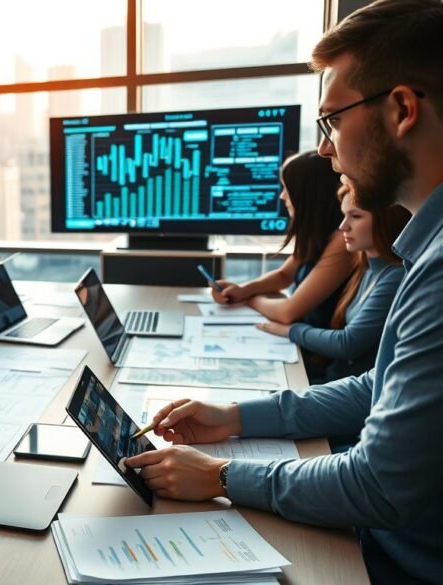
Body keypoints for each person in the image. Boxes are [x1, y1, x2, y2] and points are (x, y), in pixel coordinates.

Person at [125, 1, 443, 583]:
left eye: (332, 120)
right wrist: (235, 416)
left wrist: (220, 475)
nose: (325, 148)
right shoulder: (425, 251)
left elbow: (377, 485)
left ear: (401, 109)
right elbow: (379, 386)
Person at [257, 182, 410, 383]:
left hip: (349, 388)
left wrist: (290, 331)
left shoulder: (394, 277)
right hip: (338, 380)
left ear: (386, 220)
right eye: (344, 215)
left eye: (356, 216)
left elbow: (347, 344)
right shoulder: (366, 268)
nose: (343, 226)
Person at [212, 151, 354, 328]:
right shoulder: (316, 234)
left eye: (288, 189)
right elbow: (284, 275)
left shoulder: (343, 240)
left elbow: (287, 312)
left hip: (314, 342)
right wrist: (242, 290)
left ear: (309, 194)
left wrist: (249, 300)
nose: (282, 196)